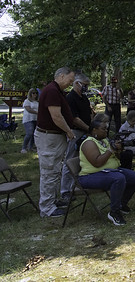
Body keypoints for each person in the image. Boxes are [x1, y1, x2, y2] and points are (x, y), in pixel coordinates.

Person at [78, 119, 135, 226]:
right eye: (103, 129)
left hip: (109, 171)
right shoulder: (88, 143)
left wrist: (118, 150)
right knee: (118, 178)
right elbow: (97, 163)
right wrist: (110, 150)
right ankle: (114, 212)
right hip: (90, 176)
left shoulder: (104, 141)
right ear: (94, 130)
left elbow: (115, 158)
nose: (106, 131)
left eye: (107, 129)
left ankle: (122, 204)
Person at [34, 67, 76, 218]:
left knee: (55, 171)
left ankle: (52, 200)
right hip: (49, 138)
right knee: (49, 172)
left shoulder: (57, 91)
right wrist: (69, 131)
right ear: (61, 76)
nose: (70, 84)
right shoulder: (52, 91)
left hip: (54, 137)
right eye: (70, 80)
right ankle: (46, 208)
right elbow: (56, 116)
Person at [61, 72, 95, 204]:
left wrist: (91, 127)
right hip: (75, 132)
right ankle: (65, 190)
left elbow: (89, 113)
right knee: (70, 159)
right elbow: (74, 119)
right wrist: (88, 128)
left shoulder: (84, 98)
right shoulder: (70, 98)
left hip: (86, 132)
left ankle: (75, 185)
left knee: (81, 159)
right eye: (84, 85)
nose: (86, 88)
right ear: (76, 83)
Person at [21, 88, 39, 153]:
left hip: (36, 119)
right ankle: (24, 147)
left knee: (34, 134)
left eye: (36, 93)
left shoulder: (37, 102)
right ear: (30, 94)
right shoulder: (27, 101)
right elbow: (29, 110)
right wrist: (38, 112)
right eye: (33, 93)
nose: (35, 94)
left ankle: (31, 147)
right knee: (29, 133)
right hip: (28, 119)